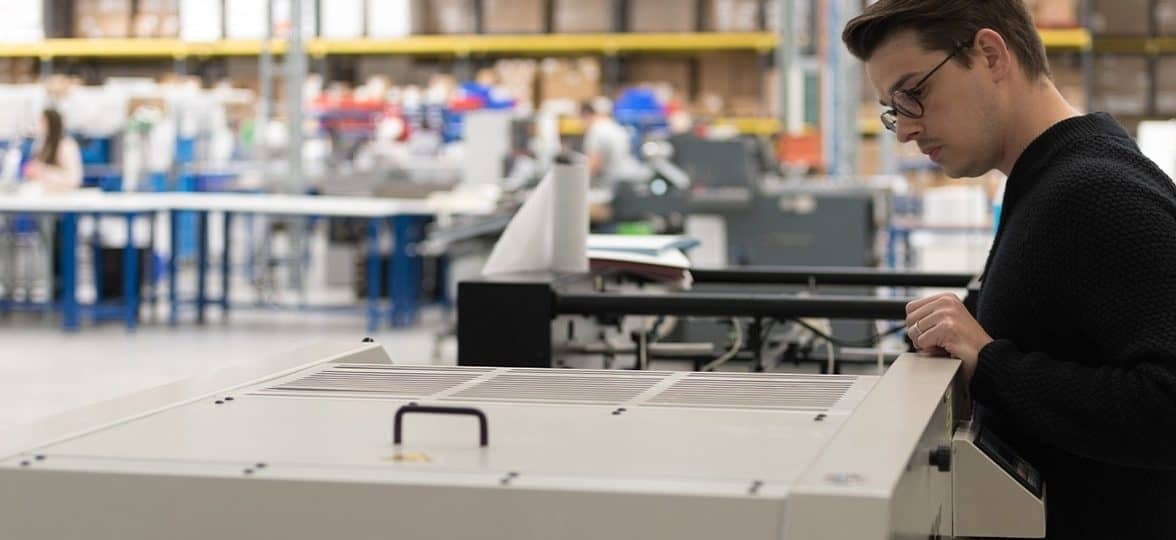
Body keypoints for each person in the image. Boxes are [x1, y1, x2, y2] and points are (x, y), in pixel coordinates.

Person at [842, 1, 1176, 537]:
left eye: (913, 94)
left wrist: (993, 365)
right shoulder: (1049, 180)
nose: (903, 129)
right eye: (892, 109)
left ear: (990, 55)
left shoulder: (1094, 193)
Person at [580, 97, 637, 190]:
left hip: (612, 183)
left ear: (586, 114)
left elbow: (594, 163)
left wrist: (577, 183)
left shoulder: (596, 130)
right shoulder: (615, 127)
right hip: (627, 179)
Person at [24, 109, 82, 193]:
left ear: (52, 123)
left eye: (43, 121)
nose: (39, 125)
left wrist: (44, 172)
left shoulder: (66, 145)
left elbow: (74, 179)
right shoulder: (40, 143)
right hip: (42, 194)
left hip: (63, 195)